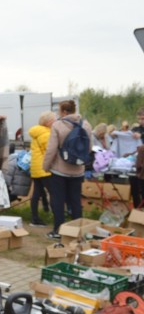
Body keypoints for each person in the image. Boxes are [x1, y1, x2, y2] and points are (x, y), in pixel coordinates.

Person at [42, 100, 92, 239]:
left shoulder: (58, 125)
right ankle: (78, 231)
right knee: (75, 200)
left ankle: (58, 230)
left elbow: (51, 149)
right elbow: (88, 148)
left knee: (58, 200)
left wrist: (46, 166)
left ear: (63, 111)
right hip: (78, 170)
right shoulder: (86, 125)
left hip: (60, 170)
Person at [28, 111, 56, 227]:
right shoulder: (46, 133)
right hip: (44, 168)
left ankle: (35, 218)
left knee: (36, 193)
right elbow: (48, 152)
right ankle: (58, 218)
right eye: (54, 120)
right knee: (54, 193)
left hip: (36, 167)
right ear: (49, 122)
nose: (55, 122)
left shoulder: (37, 132)